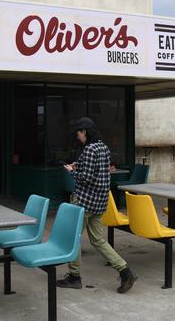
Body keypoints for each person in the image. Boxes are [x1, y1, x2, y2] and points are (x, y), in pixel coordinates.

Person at [56, 117, 137, 293]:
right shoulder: (103, 148)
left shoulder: (89, 149)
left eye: (78, 134)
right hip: (100, 202)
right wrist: (79, 164)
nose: (78, 137)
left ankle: (74, 276)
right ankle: (125, 270)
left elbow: (86, 178)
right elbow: (101, 170)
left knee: (74, 238)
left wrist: (72, 171)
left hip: (83, 201)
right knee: (98, 240)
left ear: (84, 132)